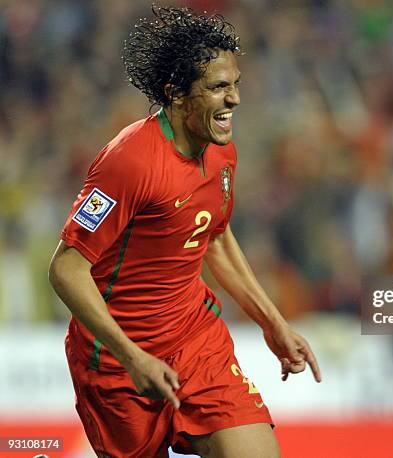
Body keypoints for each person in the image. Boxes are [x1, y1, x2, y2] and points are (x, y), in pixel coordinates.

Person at [48, 6, 321, 458]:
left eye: (235, 84)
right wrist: (132, 356)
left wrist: (273, 324)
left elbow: (214, 236)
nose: (234, 99)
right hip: (118, 362)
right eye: (218, 87)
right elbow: (66, 268)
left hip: (196, 341)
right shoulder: (129, 161)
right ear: (177, 94)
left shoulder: (222, 152)